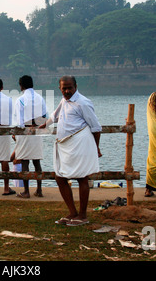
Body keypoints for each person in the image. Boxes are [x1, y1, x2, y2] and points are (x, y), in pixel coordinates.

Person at [39, 76, 102, 226]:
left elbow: (96, 127)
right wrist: (45, 124)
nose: (67, 91)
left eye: (69, 88)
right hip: (64, 146)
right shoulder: (64, 101)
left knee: (82, 178)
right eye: (64, 88)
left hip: (80, 144)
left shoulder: (83, 103)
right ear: (59, 88)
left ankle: (83, 215)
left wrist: (96, 147)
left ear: (75, 87)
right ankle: (72, 213)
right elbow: (55, 115)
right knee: (60, 178)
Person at [14, 75, 47, 198]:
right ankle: (39, 190)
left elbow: (20, 122)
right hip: (37, 130)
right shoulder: (40, 98)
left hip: (26, 132)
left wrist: (17, 133)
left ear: (21, 85)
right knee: (37, 160)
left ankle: (26, 191)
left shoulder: (20, 100)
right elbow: (44, 116)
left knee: (24, 161)